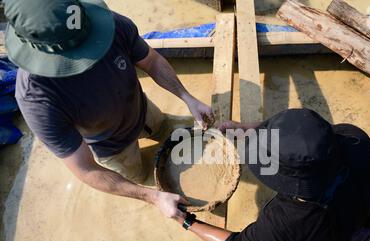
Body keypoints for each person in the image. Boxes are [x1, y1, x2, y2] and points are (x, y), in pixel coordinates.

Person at [4, 0, 214, 217]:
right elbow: (86, 169)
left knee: (168, 129)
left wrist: (187, 98)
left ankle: (159, 131)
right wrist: (151, 196)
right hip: (113, 147)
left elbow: (151, 61)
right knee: (142, 176)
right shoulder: (36, 97)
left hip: (141, 109)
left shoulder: (108, 23)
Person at [176, 108, 370, 241]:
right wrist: (249, 128)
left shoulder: (287, 222)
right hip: (361, 210)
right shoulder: (356, 139)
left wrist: (184, 220)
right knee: (358, 234)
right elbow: (302, 139)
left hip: (326, 236)